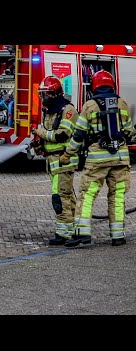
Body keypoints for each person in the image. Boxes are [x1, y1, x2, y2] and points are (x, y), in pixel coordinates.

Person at [60, 69, 133, 247]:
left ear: (94, 86)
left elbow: (78, 135)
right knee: (117, 196)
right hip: (121, 159)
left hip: (97, 161)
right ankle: (118, 236)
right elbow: (130, 132)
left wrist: (68, 154)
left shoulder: (89, 105)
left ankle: (83, 233)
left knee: (88, 195)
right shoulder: (122, 103)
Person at [31, 76, 79, 245]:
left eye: (47, 95)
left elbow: (61, 135)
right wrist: (39, 144)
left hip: (64, 161)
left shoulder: (68, 111)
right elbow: (48, 134)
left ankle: (64, 234)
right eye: (42, 95)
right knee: (66, 197)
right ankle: (72, 229)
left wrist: (40, 134)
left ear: (56, 93)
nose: (43, 99)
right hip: (53, 162)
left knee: (60, 197)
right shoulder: (50, 111)